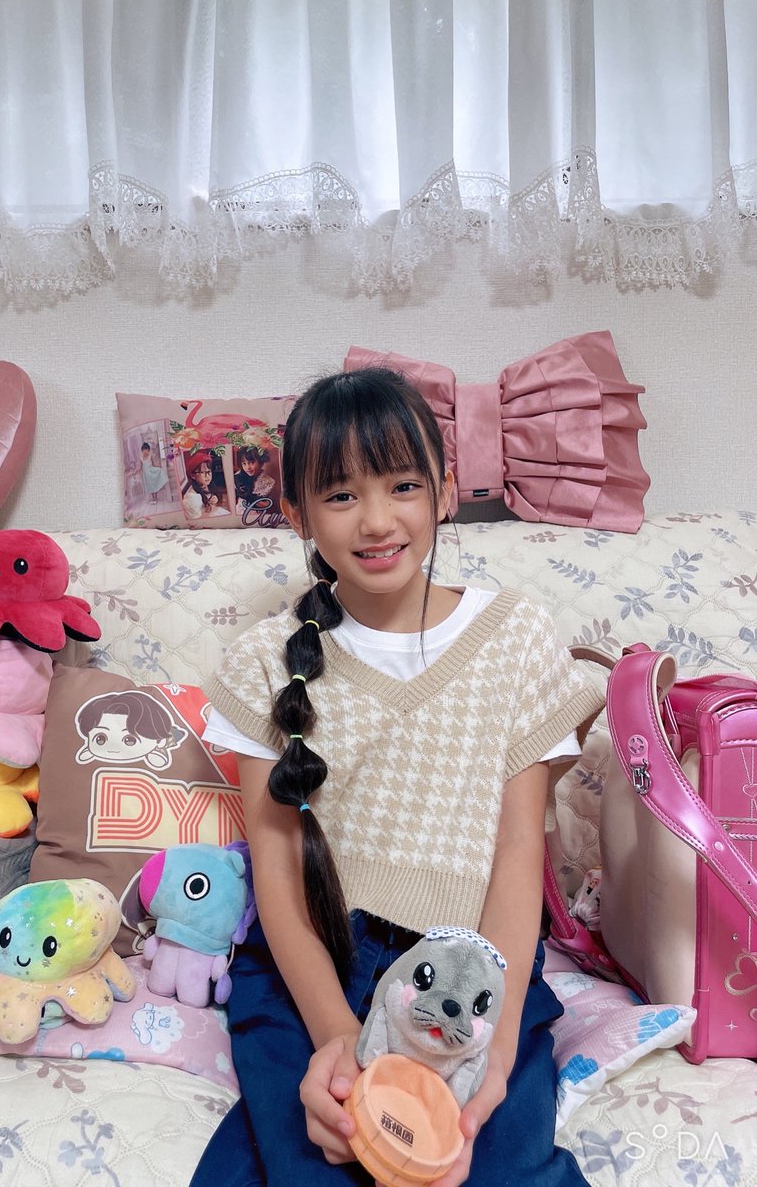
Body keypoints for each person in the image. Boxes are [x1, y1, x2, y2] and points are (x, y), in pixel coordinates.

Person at [190, 367, 602, 1187]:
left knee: (497, 1166)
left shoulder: (515, 636)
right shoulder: (263, 660)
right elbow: (277, 868)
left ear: (444, 492)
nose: (377, 521)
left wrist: (495, 1038)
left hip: (472, 963)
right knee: (315, 1155)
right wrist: (339, 1035)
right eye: (341, 495)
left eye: (403, 485)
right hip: (316, 963)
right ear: (299, 514)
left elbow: (518, 850)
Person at [181, 450, 229, 521]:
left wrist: (214, 500)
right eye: (202, 472)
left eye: (209, 471)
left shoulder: (206, 485)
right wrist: (212, 505)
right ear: (193, 476)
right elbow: (198, 522)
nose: (207, 476)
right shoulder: (192, 498)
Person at [234, 445, 276, 513]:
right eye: (244, 463)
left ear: (261, 462)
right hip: (239, 511)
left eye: (252, 462)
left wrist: (250, 497)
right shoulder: (238, 476)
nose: (248, 467)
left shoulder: (268, 482)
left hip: (256, 514)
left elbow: (266, 504)